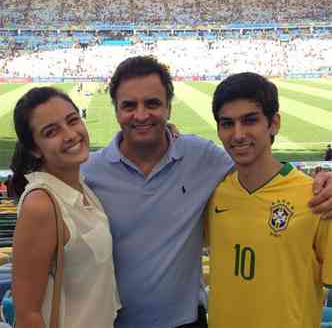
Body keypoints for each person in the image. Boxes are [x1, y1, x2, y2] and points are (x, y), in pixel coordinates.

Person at [81, 56, 332, 328]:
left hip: (187, 323)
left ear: (168, 108)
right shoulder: (89, 173)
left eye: (152, 103)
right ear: (116, 110)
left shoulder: (203, 158)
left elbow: (264, 176)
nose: (141, 115)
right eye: (129, 105)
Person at [206, 72, 332, 328]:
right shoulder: (213, 193)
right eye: (227, 123)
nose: (238, 134)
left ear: (274, 123)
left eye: (249, 120)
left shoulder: (318, 199)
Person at [11, 87, 120, 328]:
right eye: (51, 132)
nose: (70, 134)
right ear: (34, 148)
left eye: (73, 120)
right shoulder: (41, 205)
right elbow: (27, 314)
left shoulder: (79, 184)